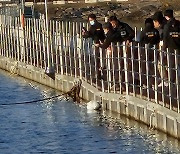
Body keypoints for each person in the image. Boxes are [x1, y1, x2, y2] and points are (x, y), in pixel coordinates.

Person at [140, 18, 160, 87]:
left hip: (145, 50)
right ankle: (154, 82)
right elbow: (158, 40)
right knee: (153, 66)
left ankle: (145, 83)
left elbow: (139, 40)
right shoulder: (155, 31)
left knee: (144, 67)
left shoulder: (143, 31)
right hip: (154, 50)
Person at [162, 9, 180, 85]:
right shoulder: (179, 24)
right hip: (179, 47)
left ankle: (172, 83)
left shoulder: (167, 26)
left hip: (171, 48)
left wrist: (163, 48)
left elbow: (165, 37)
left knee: (172, 66)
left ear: (166, 17)